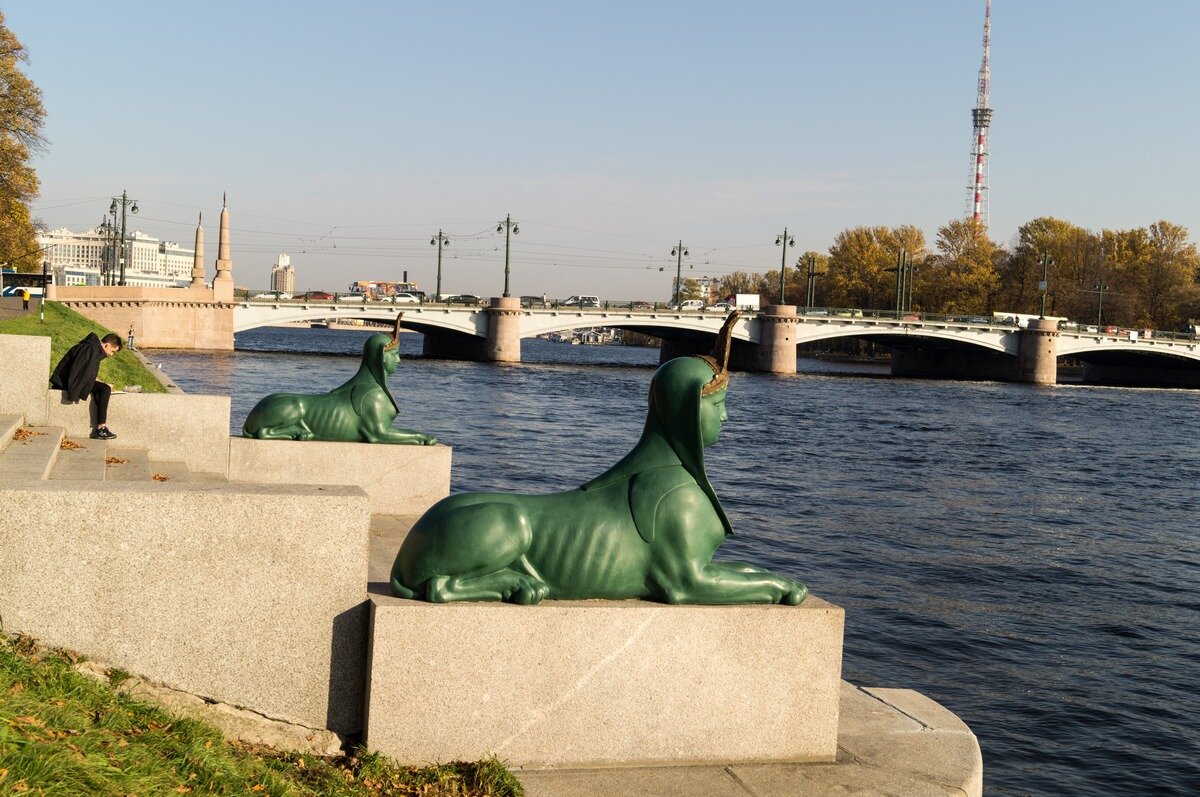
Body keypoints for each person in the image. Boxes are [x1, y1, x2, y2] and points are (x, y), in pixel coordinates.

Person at [49, 332, 122, 440]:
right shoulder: (91, 350)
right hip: (65, 382)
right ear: (107, 345)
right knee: (105, 390)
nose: (111, 355)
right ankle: (101, 428)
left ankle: (101, 429)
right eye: (112, 351)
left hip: (65, 379)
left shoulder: (92, 348)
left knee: (102, 388)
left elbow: (87, 372)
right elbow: (80, 372)